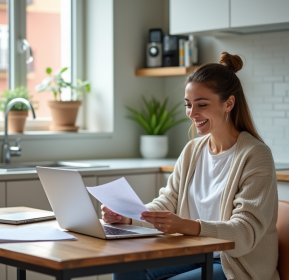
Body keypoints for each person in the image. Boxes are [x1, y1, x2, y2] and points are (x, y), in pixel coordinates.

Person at [102, 52, 279, 280]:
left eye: (202, 105)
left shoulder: (256, 155)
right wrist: (128, 217)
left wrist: (186, 225)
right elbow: (168, 202)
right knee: (126, 264)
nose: (192, 114)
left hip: (232, 265)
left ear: (229, 103)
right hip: (192, 252)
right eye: (188, 105)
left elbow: (244, 234)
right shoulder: (193, 150)